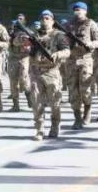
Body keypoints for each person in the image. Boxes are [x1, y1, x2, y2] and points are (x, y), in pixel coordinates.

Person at [29, 10, 71, 141]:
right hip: (36, 71)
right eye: (42, 18)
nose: (45, 20)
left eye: (47, 18)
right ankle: (39, 129)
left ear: (53, 21)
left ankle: (55, 126)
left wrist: (57, 54)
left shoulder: (59, 35)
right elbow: (19, 45)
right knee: (36, 102)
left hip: (52, 71)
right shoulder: (34, 35)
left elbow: (67, 51)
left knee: (54, 102)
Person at [63, 2, 98, 129]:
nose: (78, 12)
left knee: (85, 90)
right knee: (73, 91)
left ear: (85, 11)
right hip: (71, 60)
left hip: (85, 60)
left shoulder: (91, 24)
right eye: (76, 10)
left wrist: (91, 44)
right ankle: (77, 117)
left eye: (80, 10)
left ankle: (87, 110)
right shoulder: (68, 25)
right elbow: (61, 40)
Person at [7, 13, 33, 112]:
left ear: (25, 21)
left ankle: (29, 99)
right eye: (18, 18)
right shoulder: (11, 33)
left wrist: (22, 39)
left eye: (21, 19)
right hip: (13, 58)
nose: (19, 20)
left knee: (24, 80)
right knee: (13, 82)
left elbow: (29, 46)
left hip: (24, 58)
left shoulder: (28, 32)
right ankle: (15, 105)